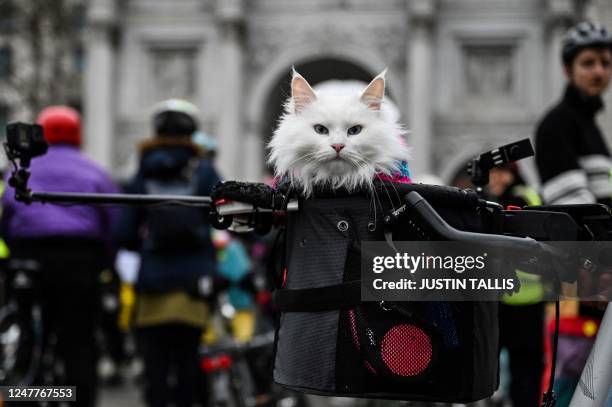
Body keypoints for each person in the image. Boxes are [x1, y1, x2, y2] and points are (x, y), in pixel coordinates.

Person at [1, 106, 119, 407]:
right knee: (79, 341)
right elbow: (112, 222)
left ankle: (25, 392)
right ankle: (79, 399)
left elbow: (7, 212)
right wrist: (105, 261)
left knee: (27, 333)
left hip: (28, 257)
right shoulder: (94, 171)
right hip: (79, 261)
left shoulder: (17, 170)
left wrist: (14, 250)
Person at [114, 99, 220, 407]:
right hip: (194, 284)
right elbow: (226, 214)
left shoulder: (143, 171)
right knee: (188, 366)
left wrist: (144, 245)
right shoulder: (204, 170)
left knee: (155, 367)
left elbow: (124, 233)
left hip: (153, 284)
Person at [534, 20, 612, 406]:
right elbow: (576, 213)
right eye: (589, 62)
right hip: (584, 288)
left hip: (597, 283)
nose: (599, 71)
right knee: (574, 390)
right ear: (568, 69)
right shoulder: (558, 124)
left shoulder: (588, 126)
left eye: (605, 62)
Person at [488, 164, 546, 407]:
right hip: (521, 300)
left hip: (517, 299)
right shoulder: (525, 196)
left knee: (519, 367)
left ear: (510, 174)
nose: (494, 180)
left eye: (499, 174)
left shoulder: (517, 199)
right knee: (524, 366)